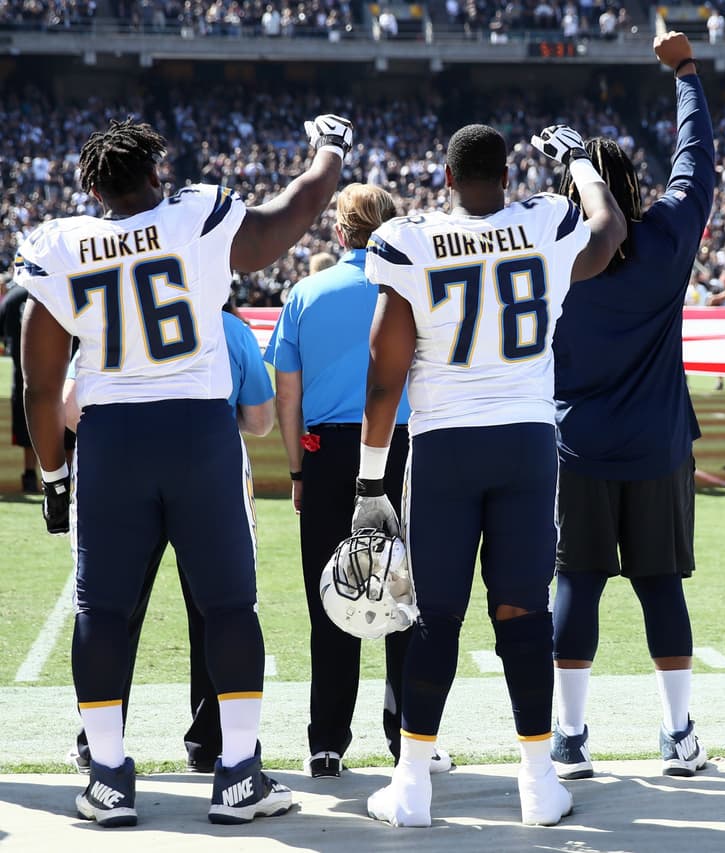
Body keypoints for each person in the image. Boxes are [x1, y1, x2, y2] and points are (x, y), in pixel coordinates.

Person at [16, 113, 354, 826]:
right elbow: (294, 211)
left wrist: (52, 477)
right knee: (230, 606)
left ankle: (107, 779)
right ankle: (237, 773)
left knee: (101, 610)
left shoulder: (62, 243)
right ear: (155, 174)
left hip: (110, 440)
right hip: (199, 432)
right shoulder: (197, 214)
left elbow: (40, 384)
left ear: (92, 188)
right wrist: (330, 148)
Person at [352, 122, 625, 827]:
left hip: (445, 444)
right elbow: (608, 228)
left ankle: (412, 785)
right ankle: (538, 783)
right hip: (527, 440)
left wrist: (369, 482)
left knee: (435, 615)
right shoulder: (544, 222)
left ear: (446, 179)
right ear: (508, 176)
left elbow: (384, 377)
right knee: (523, 611)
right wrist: (577, 163)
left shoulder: (409, 237)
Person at [549, 31, 714, 781]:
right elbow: (695, 162)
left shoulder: (552, 256)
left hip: (576, 444)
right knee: (659, 586)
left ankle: (570, 738)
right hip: (656, 445)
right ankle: (680, 733)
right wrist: (684, 73)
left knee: (575, 583)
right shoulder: (668, 238)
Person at [265, 183, 449, 779]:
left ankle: (326, 742)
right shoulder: (410, 283)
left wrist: (299, 467)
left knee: (330, 596)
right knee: (407, 597)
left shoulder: (306, 292)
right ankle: (409, 739)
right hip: (401, 448)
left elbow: (286, 395)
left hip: (326, 453)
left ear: (339, 233)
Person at [69, 302, 274, 774]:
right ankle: (216, 745)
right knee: (220, 609)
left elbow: (66, 408)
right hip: (207, 467)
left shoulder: (109, 313)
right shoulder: (231, 330)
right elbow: (261, 421)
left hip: (121, 465)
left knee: (112, 610)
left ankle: (100, 749)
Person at [0, 282, 39, 493]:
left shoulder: (13, 296)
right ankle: (66, 480)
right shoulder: (57, 288)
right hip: (61, 375)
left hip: (24, 378)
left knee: (29, 431)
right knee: (66, 433)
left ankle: (30, 475)